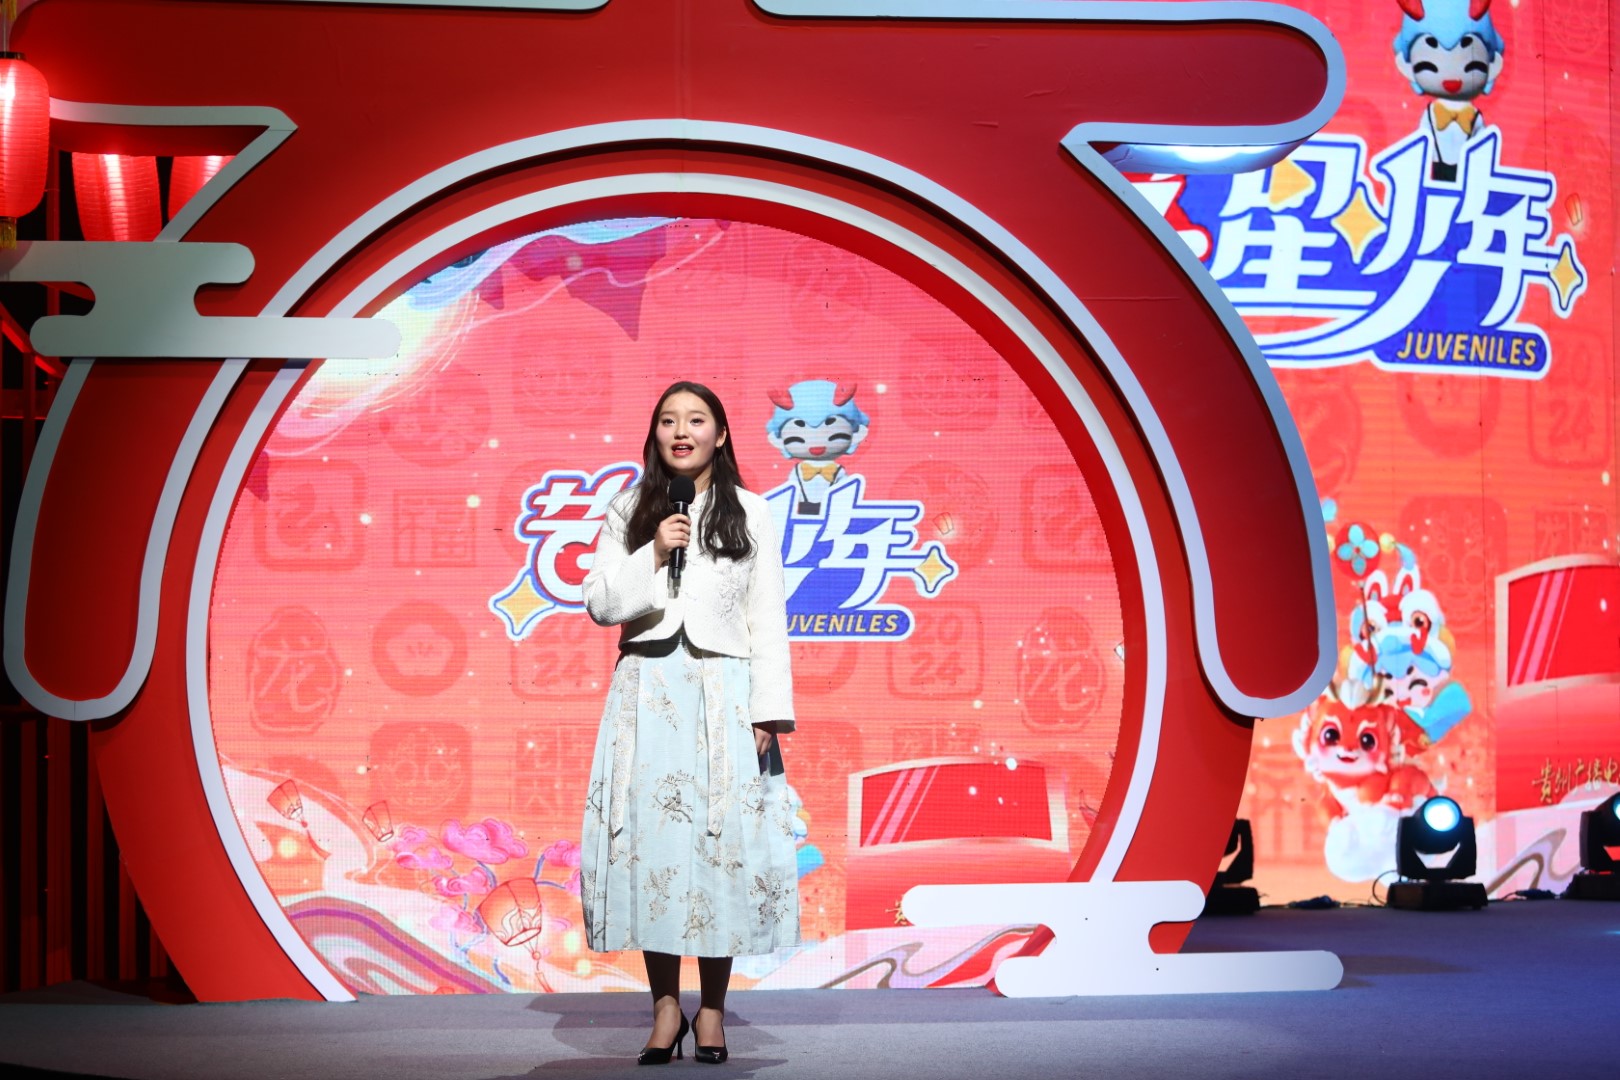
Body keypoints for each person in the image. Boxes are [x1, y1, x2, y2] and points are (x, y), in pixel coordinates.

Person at [580, 381, 800, 1065]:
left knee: (718, 847)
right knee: (655, 850)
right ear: (655, 434)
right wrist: (652, 550)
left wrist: (768, 712)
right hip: (647, 693)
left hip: (723, 693)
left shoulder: (751, 512)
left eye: (696, 420)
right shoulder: (629, 508)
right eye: (669, 421)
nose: (682, 431)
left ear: (721, 434)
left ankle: (712, 1011)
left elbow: (767, 617)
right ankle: (665, 1009)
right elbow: (600, 603)